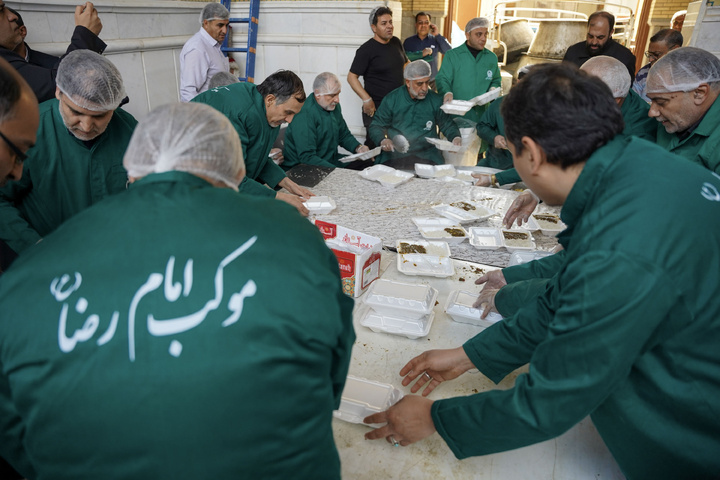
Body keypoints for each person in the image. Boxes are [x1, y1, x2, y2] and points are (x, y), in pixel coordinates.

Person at [363, 63, 720, 480]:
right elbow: (565, 298)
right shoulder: (642, 168)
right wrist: (470, 356)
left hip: (694, 430)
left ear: (530, 154)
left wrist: (436, 419)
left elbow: (551, 400)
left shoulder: (625, 244)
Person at [0, 102, 355, 480]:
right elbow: (332, 366)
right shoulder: (291, 233)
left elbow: (15, 435)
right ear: (236, 170)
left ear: (132, 168)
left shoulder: (33, 272)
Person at [0, 50, 137, 259]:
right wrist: (35, 246)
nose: (86, 125)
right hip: (51, 264)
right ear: (58, 92)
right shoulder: (30, 131)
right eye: (76, 112)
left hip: (116, 255)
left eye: (99, 116)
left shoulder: (129, 129)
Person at [192, 69, 314, 215]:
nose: (289, 120)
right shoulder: (238, 113)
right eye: (288, 112)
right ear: (270, 100)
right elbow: (231, 178)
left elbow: (256, 155)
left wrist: (287, 183)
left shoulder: (269, 112)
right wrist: (279, 197)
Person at [0, 1, 106, 103]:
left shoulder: (49, 62)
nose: (12, 16)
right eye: (1, 10)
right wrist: (85, 35)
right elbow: (60, 84)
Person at [368, 60, 461, 168]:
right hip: (396, 154)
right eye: (419, 84)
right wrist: (383, 140)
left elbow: (447, 124)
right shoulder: (392, 99)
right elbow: (376, 125)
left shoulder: (435, 100)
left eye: (427, 82)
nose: (425, 88)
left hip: (428, 155)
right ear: (408, 82)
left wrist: (455, 137)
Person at [646, 46, 720, 174]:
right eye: (651, 101)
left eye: (660, 102)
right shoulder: (673, 119)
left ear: (699, 93)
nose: (652, 112)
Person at [283, 72, 370, 171]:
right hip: (303, 167)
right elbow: (307, 157)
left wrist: (358, 148)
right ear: (317, 94)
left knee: (368, 164)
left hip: (331, 160)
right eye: (332, 95)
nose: (337, 100)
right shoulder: (304, 113)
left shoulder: (333, 107)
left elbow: (343, 135)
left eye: (338, 94)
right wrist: (336, 172)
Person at [348, 6, 407, 148]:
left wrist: (417, 78)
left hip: (398, 106)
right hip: (377, 109)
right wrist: (366, 99)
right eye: (384, 23)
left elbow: (405, 64)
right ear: (374, 27)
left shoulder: (396, 42)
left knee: (397, 148)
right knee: (377, 146)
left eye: (390, 22)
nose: (389, 26)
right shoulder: (366, 50)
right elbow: (351, 77)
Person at [435, 17, 502, 128]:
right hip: (456, 116)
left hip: (482, 116)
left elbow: (496, 79)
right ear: (467, 35)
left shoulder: (491, 58)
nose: (483, 38)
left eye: (486, 34)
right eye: (478, 34)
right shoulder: (453, 56)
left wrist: (493, 88)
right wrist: (447, 92)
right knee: (457, 142)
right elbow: (442, 78)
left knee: (479, 144)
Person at [562, 11, 636, 82]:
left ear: (611, 33)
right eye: (590, 36)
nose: (594, 42)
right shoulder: (573, 52)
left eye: (600, 38)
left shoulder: (625, 58)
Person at [179, 3, 230, 102]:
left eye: (226, 25)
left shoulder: (213, 45)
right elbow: (188, 92)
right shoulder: (197, 48)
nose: (224, 30)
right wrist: (202, 116)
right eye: (220, 25)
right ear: (206, 23)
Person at [632, 29, 682, 102]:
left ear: (674, 50)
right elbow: (634, 102)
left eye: (656, 54)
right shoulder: (643, 73)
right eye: (650, 54)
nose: (650, 60)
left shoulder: (686, 75)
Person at [402, 12, 451, 84]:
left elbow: (449, 52)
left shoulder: (435, 39)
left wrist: (437, 35)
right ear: (416, 25)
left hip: (432, 82)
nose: (423, 25)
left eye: (426, 22)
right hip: (415, 82)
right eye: (420, 23)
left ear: (430, 25)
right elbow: (403, 59)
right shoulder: (408, 42)